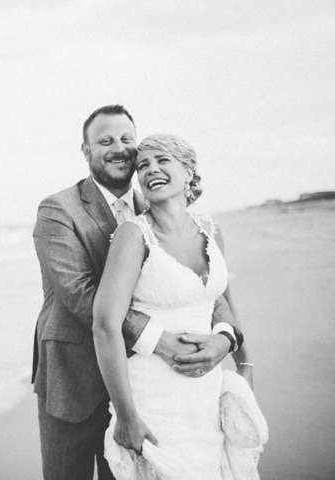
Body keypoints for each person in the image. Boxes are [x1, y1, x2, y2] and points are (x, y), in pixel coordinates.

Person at [32, 105, 244, 480]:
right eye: (105, 141)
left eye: (126, 140)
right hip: (75, 378)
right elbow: (80, 293)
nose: (118, 148)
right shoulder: (57, 209)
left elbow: (197, 284)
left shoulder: (157, 203)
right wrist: (158, 339)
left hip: (147, 383)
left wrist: (226, 339)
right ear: (86, 151)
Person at [91, 133, 264, 478]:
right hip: (155, 400)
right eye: (143, 165)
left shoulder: (212, 230)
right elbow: (105, 324)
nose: (150, 170)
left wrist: (244, 363)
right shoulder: (132, 234)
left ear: (188, 172)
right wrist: (126, 416)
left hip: (206, 395)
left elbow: (221, 298)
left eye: (161, 160)